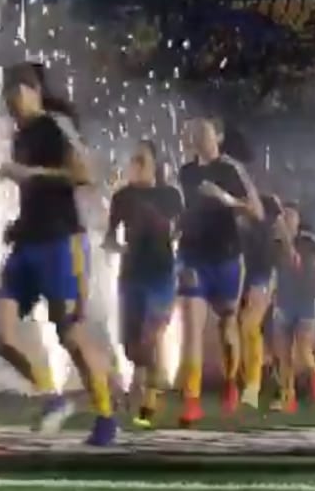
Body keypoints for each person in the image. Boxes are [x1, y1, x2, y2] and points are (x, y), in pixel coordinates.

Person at [0, 62, 116, 446]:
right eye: (5, 95)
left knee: (71, 334)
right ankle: (52, 397)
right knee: (0, 332)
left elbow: (85, 175)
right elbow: (36, 195)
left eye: (14, 93)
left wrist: (30, 174)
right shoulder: (20, 137)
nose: (8, 102)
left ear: (31, 91)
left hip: (62, 243)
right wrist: (17, 224)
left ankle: (106, 415)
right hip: (27, 244)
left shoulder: (55, 125)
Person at [175, 118, 264, 426]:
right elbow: (187, 209)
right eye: (193, 134)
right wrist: (176, 226)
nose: (199, 138)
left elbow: (256, 212)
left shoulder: (231, 169)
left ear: (218, 137)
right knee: (191, 327)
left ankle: (230, 383)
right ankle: (191, 401)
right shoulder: (185, 172)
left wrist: (224, 198)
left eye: (205, 133)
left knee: (227, 326)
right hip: (192, 255)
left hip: (226, 257)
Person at [103, 140, 183, 429]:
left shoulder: (169, 195)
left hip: (161, 274)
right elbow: (110, 237)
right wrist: (116, 247)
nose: (135, 164)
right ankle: (141, 379)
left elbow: (179, 230)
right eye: (133, 159)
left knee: (151, 336)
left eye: (141, 160)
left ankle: (147, 401)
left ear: (154, 164)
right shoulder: (122, 197)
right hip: (131, 275)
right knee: (131, 347)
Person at [269, 203, 315, 412]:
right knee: (283, 354)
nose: (287, 219)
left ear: (298, 221)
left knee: (303, 349)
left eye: (291, 215)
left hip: (305, 300)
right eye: (284, 215)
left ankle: (314, 375)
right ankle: (287, 396)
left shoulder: (308, 244)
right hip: (284, 301)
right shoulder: (274, 245)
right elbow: (272, 271)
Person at [237, 193, 283, 409]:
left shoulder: (262, 228)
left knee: (251, 328)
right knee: (254, 335)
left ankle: (254, 388)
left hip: (261, 281)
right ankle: (269, 387)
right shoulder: (252, 228)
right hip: (250, 282)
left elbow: (266, 265)